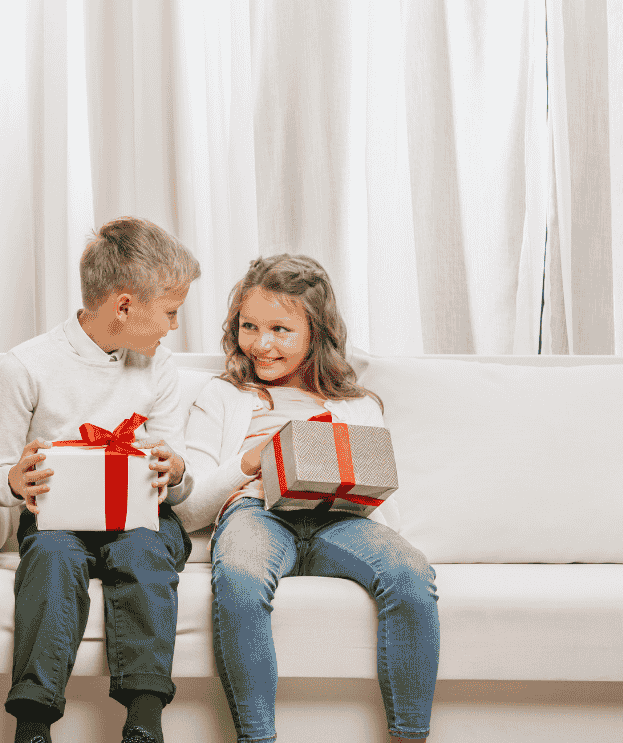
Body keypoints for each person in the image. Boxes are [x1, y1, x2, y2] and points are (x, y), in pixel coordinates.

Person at [182, 255, 439, 742]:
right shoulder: (222, 395)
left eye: (281, 329)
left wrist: (346, 480)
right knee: (239, 578)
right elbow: (190, 509)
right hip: (255, 511)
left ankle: (410, 737)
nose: (262, 344)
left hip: (340, 518)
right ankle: (257, 737)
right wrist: (250, 461)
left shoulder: (357, 406)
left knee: (411, 574)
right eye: (249, 326)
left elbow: (388, 506)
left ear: (316, 333)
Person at [0, 216, 200, 743]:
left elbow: (178, 467)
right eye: (169, 313)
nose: (173, 327)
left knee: (143, 555)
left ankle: (144, 722)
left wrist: (177, 470)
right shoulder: (26, 366)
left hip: (140, 519)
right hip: (60, 523)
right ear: (123, 306)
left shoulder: (159, 368)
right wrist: (15, 481)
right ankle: (33, 723)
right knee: (52, 561)